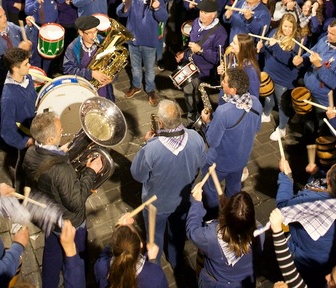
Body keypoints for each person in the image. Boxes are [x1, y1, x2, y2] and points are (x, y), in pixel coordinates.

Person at [22, 110, 103, 288]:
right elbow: (76, 202)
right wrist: (91, 171)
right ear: (50, 139)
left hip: (49, 217)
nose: (63, 129)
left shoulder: (30, 153)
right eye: (60, 129)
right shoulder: (61, 171)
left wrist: (59, 153)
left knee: (51, 254)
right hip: (70, 223)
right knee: (75, 258)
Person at [130, 99, 206, 269]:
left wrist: (146, 143)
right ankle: (175, 260)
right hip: (183, 200)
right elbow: (202, 163)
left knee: (154, 237)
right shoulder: (196, 138)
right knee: (177, 233)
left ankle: (154, 265)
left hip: (156, 205)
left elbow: (138, 175)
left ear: (161, 122)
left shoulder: (151, 149)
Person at [276, 156, 336, 287]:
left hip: (303, 258)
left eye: (327, 173)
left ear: (329, 180)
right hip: (331, 261)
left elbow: (283, 209)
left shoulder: (311, 202)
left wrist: (286, 177)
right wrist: (317, 174)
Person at [200, 68, 261, 208]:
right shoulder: (256, 102)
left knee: (210, 191)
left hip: (219, 163)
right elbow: (256, 128)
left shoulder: (223, 111)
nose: (222, 83)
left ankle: (212, 214)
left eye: (225, 81)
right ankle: (232, 213)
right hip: (241, 160)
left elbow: (212, 141)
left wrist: (207, 122)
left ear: (233, 90)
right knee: (234, 190)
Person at [187, 185, 264, 288]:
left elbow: (192, 231)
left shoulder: (210, 237)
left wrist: (196, 203)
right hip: (245, 283)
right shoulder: (260, 233)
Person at [117, 0, 168, 106]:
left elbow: (163, 17)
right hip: (134, 40)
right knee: (135, 68)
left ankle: (150, 90)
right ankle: (136, 86)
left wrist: (157, 8)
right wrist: (124, 3)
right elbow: (120, 13)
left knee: (150, 70)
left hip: (149, 41)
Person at [175, 0, 227, 123]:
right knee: (188, 93)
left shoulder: (220, 33)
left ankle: (203, 122)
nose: (202, 15)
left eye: (206, 13)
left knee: (200, 99)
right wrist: (184, 53)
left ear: (214, 15)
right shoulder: (196, 22)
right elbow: (191, 43)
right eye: (201, 11)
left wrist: (201, 50)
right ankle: (191, 118)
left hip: (204, 72)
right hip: (189, 67)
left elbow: (218, 58)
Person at [0, 48, 36, 189]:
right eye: (26, 64)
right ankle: (20, 190)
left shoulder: (28, 78)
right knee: (23, 165)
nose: (30, 66)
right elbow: (6, 131)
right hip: (26, 135)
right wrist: (25, 142)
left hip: (34, 128)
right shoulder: (8, 97)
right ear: (15, 68)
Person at [94, 216, 168, 288]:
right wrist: (153, 260)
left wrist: (119, 227)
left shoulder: (101, 266)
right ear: (141, 245)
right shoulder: (156, 276)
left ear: (113, 247)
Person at [63, 15, 116, 101]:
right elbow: (68, 70)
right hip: (83, 90)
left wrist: (111, 78)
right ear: (81, 32)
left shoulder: (104, 42)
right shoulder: (72, 47)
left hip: (103, 91)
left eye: (95, 31)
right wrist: (91, 73)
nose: (94, 35)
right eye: (90, 33)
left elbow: (115, 64)